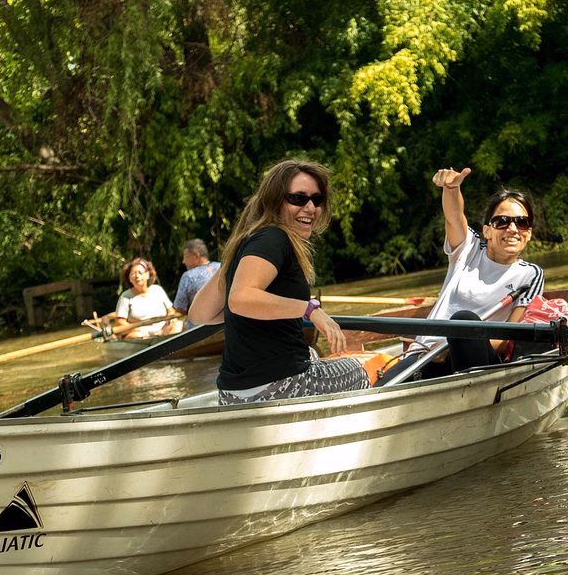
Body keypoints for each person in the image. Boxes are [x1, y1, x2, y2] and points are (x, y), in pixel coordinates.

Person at [189, 159, 370, 404]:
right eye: (298, 198)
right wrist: (310, 309)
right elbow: (241, 299)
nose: (310, 208)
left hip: (233, 395)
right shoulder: (274, 238)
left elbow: (200, 314)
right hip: (281, 386)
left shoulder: (249, 244)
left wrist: (236, 257)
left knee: (312, 355)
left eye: (316, 200)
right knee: (357, 370)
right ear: (275, 201)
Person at [376, 166, 545, 384]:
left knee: (463, 322)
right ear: (487, 231)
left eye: (521, 223)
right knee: (380, 389)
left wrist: (454, 347)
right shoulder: (469, 249)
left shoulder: (530, 274)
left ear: (529, 234)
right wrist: (451, 188)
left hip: (479, 362)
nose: (512, 229)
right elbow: (455, 216)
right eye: (502, 222)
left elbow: (509, 336)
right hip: (426, 353)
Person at [104, 257, 179, 339]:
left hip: (163, 332)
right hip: (139, 335)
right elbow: (120, 322)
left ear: (147, 275)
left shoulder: (158, 290)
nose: (136, 276)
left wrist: (171, 319)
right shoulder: (125, 296)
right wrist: (137, 331)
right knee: (138, 336)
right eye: (132, 273)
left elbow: (171, 311)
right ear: (129, 278)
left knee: (178, 325)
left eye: (140, 272)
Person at [171, 238, 220, 327]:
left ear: (196, 256)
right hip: (227, 323)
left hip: (200, 329)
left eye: (186, 256)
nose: (183, 261)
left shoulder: (188, 276)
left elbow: (180, 309)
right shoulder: (222, 267)